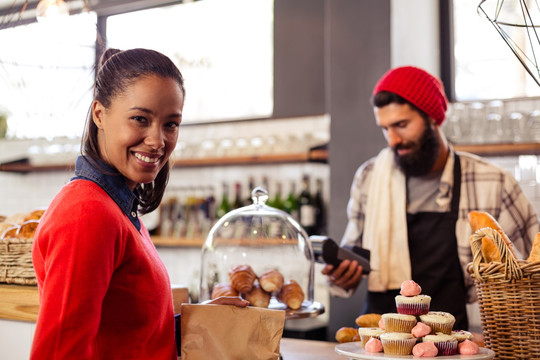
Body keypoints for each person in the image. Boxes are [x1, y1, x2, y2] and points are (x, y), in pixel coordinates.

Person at [30, 48, 248, 360]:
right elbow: (57, 354)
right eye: (140, 119)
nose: (158, 140)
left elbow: (125, 335)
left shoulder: (116, 208)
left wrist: (195, 322)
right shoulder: (87, 214)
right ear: (99, 115)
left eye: (171, 124)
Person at [322, 65, 539, 330]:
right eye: (385, 128)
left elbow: (532, 270)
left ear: (433, 117)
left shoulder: (493, 182)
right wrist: (344, 276)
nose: (392, 140)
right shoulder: (369, 177)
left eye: (401, 125)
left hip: (453, 341)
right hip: (383, 338)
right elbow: (354, 252)